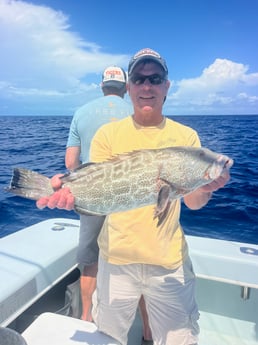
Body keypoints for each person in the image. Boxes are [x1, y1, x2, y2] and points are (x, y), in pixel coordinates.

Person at [37, 48, 231, 345]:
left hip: (168, 264)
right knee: (107, 338)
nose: (147, 86)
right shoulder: (108, 135)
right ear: (128, 89)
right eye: (139, 79)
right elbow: (95, 185)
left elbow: (192, 202)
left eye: (155, 78)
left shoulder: (187, 138)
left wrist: (202, 187)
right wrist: (67, 193)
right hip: (115, 262)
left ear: (167, 85)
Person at [64, 65, 153, 343]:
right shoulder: (138, 112)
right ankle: (148, 332)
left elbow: (70, 164)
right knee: (138, 263)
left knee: (90, 261)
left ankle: (86, 317)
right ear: (127, 87)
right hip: (131, 198)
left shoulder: (82, 112)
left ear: (102, 86)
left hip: (93, 196)